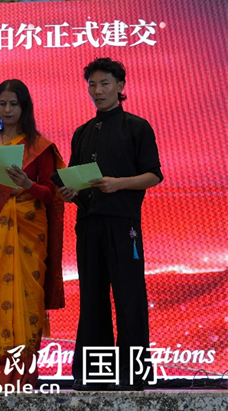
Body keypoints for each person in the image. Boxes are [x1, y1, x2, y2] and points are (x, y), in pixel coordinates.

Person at [60, 58, 162, 391]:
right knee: (92, 297)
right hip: (89, 223)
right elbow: (75, 179)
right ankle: (94, 373)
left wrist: (118, 184)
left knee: (129, 295)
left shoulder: (136, 127)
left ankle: (133, 374)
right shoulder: (82, 132)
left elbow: (153, 175)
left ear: (120, 86)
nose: (98, 91)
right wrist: (69, 192)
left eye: (105, 83)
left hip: (123, 223)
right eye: (92, 84)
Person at [0, 80, 65, 388]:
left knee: (27, 298)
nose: (7, 110)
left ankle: (22, 372)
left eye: (14, 104)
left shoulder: (39, 147)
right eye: (2, 104)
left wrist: (27, 184)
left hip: (29, 233)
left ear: (24, 107)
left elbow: (52, 193)